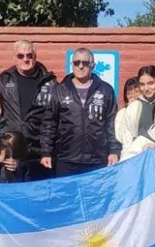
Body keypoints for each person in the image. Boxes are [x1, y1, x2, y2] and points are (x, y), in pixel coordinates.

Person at [40, 47, 120, 177]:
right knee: (66, 197)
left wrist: (114, 150)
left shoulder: (106, 90)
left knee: (94, 197)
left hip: (97, 160)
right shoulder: (60, 90)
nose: (80, 66)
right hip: (67, 159)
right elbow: (49, 123)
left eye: (85, 63)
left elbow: (112, 123)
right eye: (76, 63)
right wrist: (46, 152)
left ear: (92, 65)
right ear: (72, 65)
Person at [0, 40, 56, 175]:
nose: (25, 59)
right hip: (13, 150)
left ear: (35, 56)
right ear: (14, 58)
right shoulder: (4, 80)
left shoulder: (49, 82)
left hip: (39, 152)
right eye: (20, 56)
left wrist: (48, 150)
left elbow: (56, 116)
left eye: (29, 55)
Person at [116, 66, 155, 149]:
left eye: (150, 83)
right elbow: (126, 140)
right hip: (138, 153)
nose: (146, 88)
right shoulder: (131, 109)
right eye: (128, 93)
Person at [114, 77, 139, 152]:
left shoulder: (147, 109)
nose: (133, 95)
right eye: (128, 93)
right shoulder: (121, 113)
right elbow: (119, 137)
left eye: (137, 91)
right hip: (127, 153)